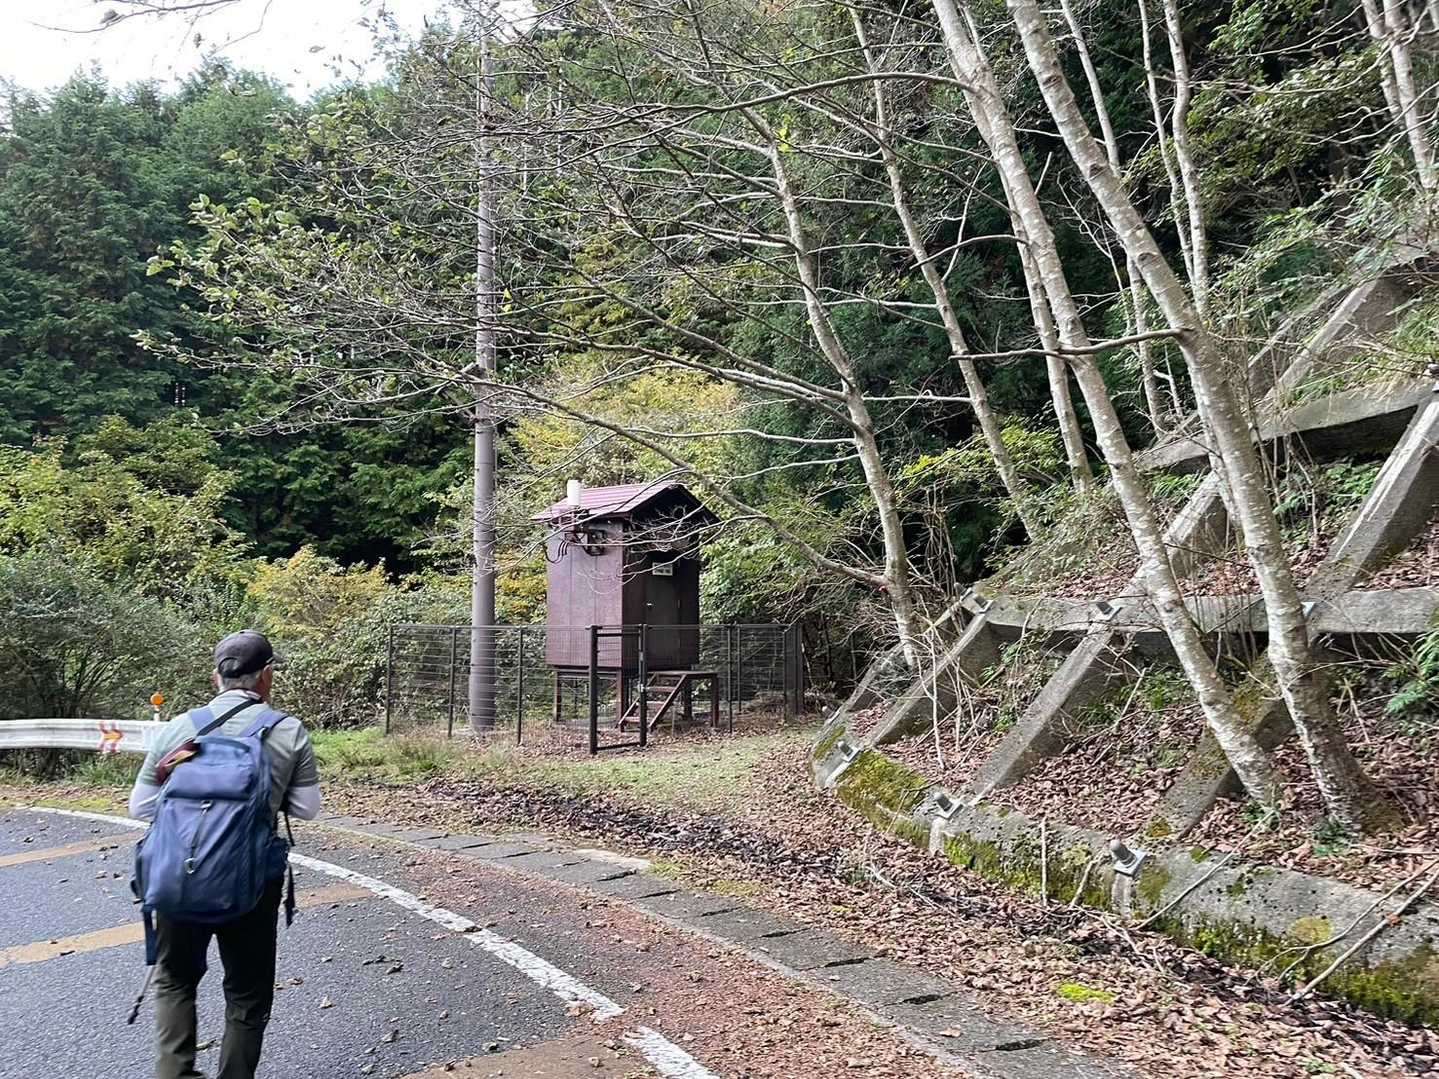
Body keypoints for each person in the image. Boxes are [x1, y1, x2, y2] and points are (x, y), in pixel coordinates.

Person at [129, 630, 322, 1079]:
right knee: (246, 994)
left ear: (216, 675)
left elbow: (140, 806)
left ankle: (174, 1074)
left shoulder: (181, 727)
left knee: (175, 980)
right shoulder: (287, 730)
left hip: (176, 876)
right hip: (250, 883)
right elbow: (307, 809)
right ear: (267, 675)